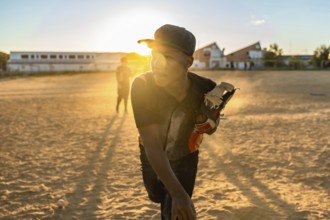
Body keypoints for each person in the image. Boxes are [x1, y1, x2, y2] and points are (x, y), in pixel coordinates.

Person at [131, 24, 235, 219]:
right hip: (152, 154)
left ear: (188, 62)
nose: (157, 63)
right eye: (154, 56)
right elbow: (153, 145)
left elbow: (210, 128)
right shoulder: (143, 86)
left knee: (175, 209)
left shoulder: (206, 88)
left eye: (168, 57)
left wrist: (209, 122)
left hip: (186, 154)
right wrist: (178, 194)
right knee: (157, 195)